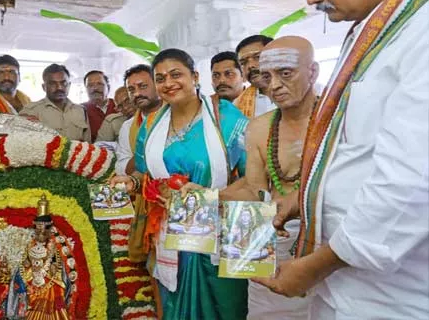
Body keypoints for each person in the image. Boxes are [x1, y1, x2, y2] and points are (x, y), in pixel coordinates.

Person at [254, 0, 429, 319]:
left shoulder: (422, 32)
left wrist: (316, 266)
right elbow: (358, 152)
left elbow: (412, 182)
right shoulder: (378, 32)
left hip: (394, 298)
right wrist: (308, 201)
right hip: (351, 288)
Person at [110, 49, 249, 319]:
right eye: (160, 78)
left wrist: (211, 195)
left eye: (176, 74)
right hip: (172, 239)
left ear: (195, 76)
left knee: (226, 309)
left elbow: (253, 179)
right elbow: (145, 173)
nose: (168, 83)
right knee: (175, 308)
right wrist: (131, 182)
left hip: (221, 237)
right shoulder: (151, 124)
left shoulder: (226, 117)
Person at [223, 36, 317, 319]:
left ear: (312, 72)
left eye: (285, 73)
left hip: (326, 250)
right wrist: (207, 197)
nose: (274, 85)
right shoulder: (258, 128)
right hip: (272, 245)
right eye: (267, 76)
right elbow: (255, 191)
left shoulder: (338, 118)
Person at [20, 64, 90, 141]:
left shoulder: (80, 110)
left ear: (69, 85)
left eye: (63, 83)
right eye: (52, 83)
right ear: (44, 87)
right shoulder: (31, 111)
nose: (59, 87)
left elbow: (87, 144)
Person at [115, 64, 162, 176]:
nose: (137, 94)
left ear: (157, 85)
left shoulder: (175, 115)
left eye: (143, 86)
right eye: (131, 90)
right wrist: (145, 151)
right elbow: (121, 167)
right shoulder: (128, 127)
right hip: (145, 187)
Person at [234, 34, 276, 118]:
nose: (250, 66)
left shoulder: (301, 93)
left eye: (257, 57)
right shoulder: (237, 107)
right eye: (243, 63)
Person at [82, 70, 118, 142]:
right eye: (90, 85)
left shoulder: (120, 105)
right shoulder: (80, 110)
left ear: (108, 87)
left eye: (100, 84)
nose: (95, 88)